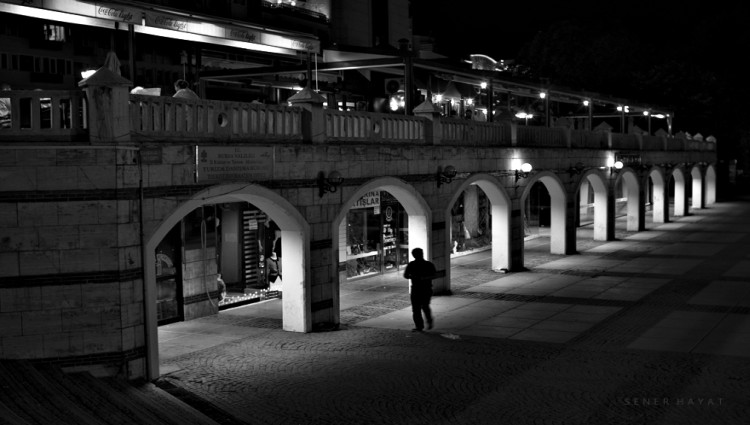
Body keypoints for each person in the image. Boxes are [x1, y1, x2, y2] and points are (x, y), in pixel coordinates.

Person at [403, 247, 437, 332]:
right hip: (424, 288)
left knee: (417, 309)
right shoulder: (428, 264)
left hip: (417, 289)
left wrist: (416, 277)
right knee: (423, 307)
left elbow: (406, 275)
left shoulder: (412, 264)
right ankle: (427, 322)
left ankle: (420, 326)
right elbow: (434, 275)